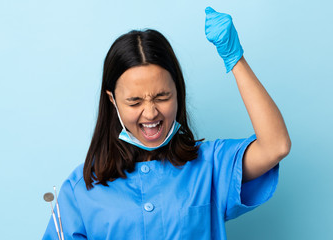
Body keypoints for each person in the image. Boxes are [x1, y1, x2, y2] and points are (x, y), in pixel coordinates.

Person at [43, 7, 291, 240]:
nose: (150, 113)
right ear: (113, 101)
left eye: (162, 97)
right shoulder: (80, 189)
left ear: (178, 93)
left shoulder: (211, 166)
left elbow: (276, 146)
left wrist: (235, 58)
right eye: (134, 101)